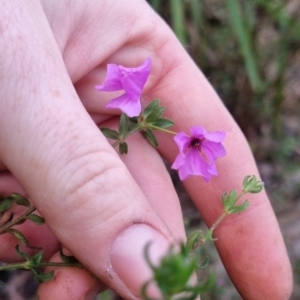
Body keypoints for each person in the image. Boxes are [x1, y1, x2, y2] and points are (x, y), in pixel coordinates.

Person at [0, 1, 292, 299]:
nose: (193, 143)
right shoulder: (160, 123)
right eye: (194, 142)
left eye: (195, 143)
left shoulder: (187, 139)